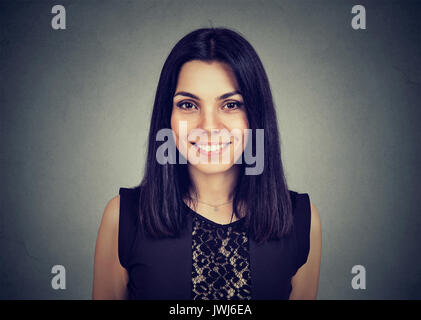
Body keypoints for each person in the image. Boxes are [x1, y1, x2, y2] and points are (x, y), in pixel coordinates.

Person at [92, 27, 322, 300]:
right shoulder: (122, 217)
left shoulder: (302, 221)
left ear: (257, 116)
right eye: (188, 105)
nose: (209, 127)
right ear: (167, 117)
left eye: (231, 105)